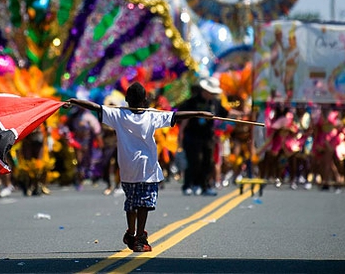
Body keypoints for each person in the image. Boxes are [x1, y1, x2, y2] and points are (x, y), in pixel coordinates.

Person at [67, 82, 216, 253]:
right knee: (144, 204)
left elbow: (95, 107)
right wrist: (199, 113)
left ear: (126, 100)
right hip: (147, 169)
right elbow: (177, 116)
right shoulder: (151, 116)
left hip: (127, 169)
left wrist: (75, 101)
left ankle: (131, 233)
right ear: (145, 100)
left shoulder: (117, 115)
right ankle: (139, 238)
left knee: (131, 203)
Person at [177, 78, 228, 196]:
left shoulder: (215, 103)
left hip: (208, 137)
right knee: (194, 161)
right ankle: (189, 185)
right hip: (192, 136)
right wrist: (180, 136)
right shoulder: (191, 102)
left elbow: (224, 116)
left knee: (208, 161)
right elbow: (183, 119)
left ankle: (205, 186)